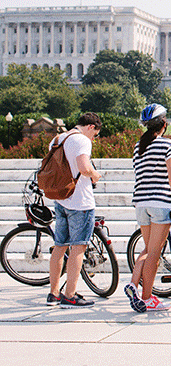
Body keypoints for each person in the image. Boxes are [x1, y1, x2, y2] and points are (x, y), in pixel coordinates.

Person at [125, 104, 171, 312]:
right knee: (154, 254)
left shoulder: (138, 147)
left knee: (147, 250)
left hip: (140, 202)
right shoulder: (167, 145)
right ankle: (147, 297)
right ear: (164, 124)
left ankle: (133, 284)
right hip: (160, 202)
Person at [47, 113, 103, 308]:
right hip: (80, 201)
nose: (93, 138)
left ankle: (53, 293)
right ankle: (70, 294)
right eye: (95, 134)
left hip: (61, 198)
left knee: (60, 245)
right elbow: (84, 167)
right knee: (79, 247)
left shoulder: (57, 139)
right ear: (90, 127)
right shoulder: (81, 140)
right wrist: (96, 175)